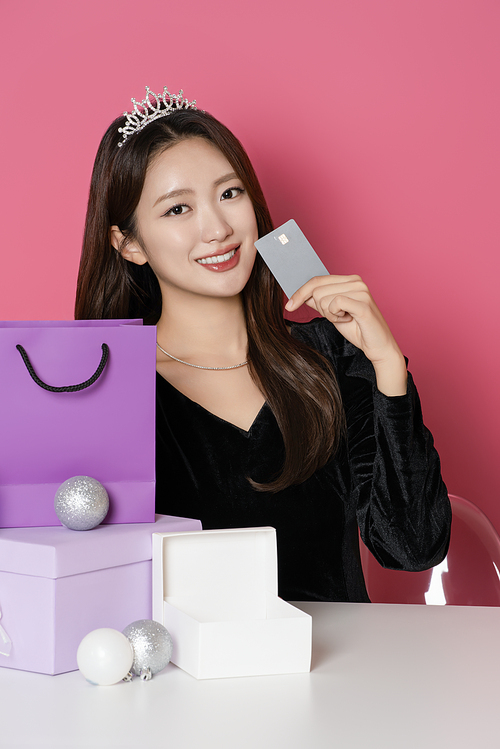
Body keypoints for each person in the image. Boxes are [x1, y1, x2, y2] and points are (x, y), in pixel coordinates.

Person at [75, 86, 451, 602]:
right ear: (130, 244)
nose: (218, 229)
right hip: (182, 675)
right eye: (178, 209)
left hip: (338, 675)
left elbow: (412, 547)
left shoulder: (331, 355)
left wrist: (387, 366)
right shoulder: (109, 386)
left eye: (229, 194)